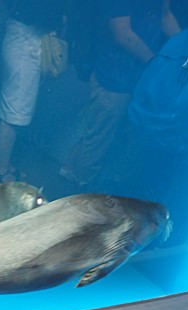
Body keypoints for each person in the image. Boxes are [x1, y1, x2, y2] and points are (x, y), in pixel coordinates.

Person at [59, 0, 181, 186]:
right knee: (99, 138)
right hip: (114, 74)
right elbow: (122, 34)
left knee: (121, 138)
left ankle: (95, 185)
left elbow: (165, 15)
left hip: (141, 76)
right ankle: (75, 189)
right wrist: (157, 64)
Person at [0, 0, 67, 183]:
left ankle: (4, 166)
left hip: (31, 34)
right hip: (25, 35)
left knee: (17, 108)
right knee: (14, 111)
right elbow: (41, 12)